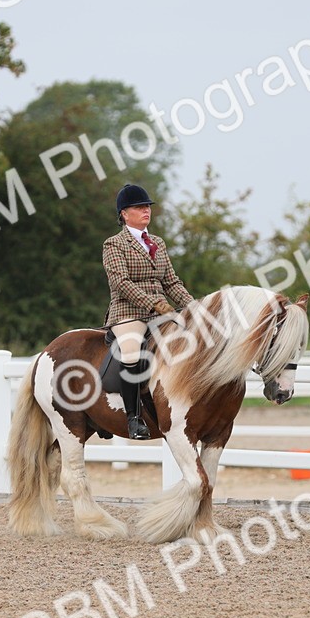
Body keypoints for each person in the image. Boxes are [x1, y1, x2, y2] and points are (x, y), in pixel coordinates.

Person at [103, 183, 194, 439]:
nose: (146, 210)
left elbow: (171, 283)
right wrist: (153, 303)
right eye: (139, 207)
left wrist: (194, 308)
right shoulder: (114, 245)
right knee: (132, 351)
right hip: (128, 312)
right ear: (124, 213)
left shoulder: (157, 243)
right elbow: (120, 283)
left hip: (160, 312)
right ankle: (133, 419)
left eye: (147, 207)